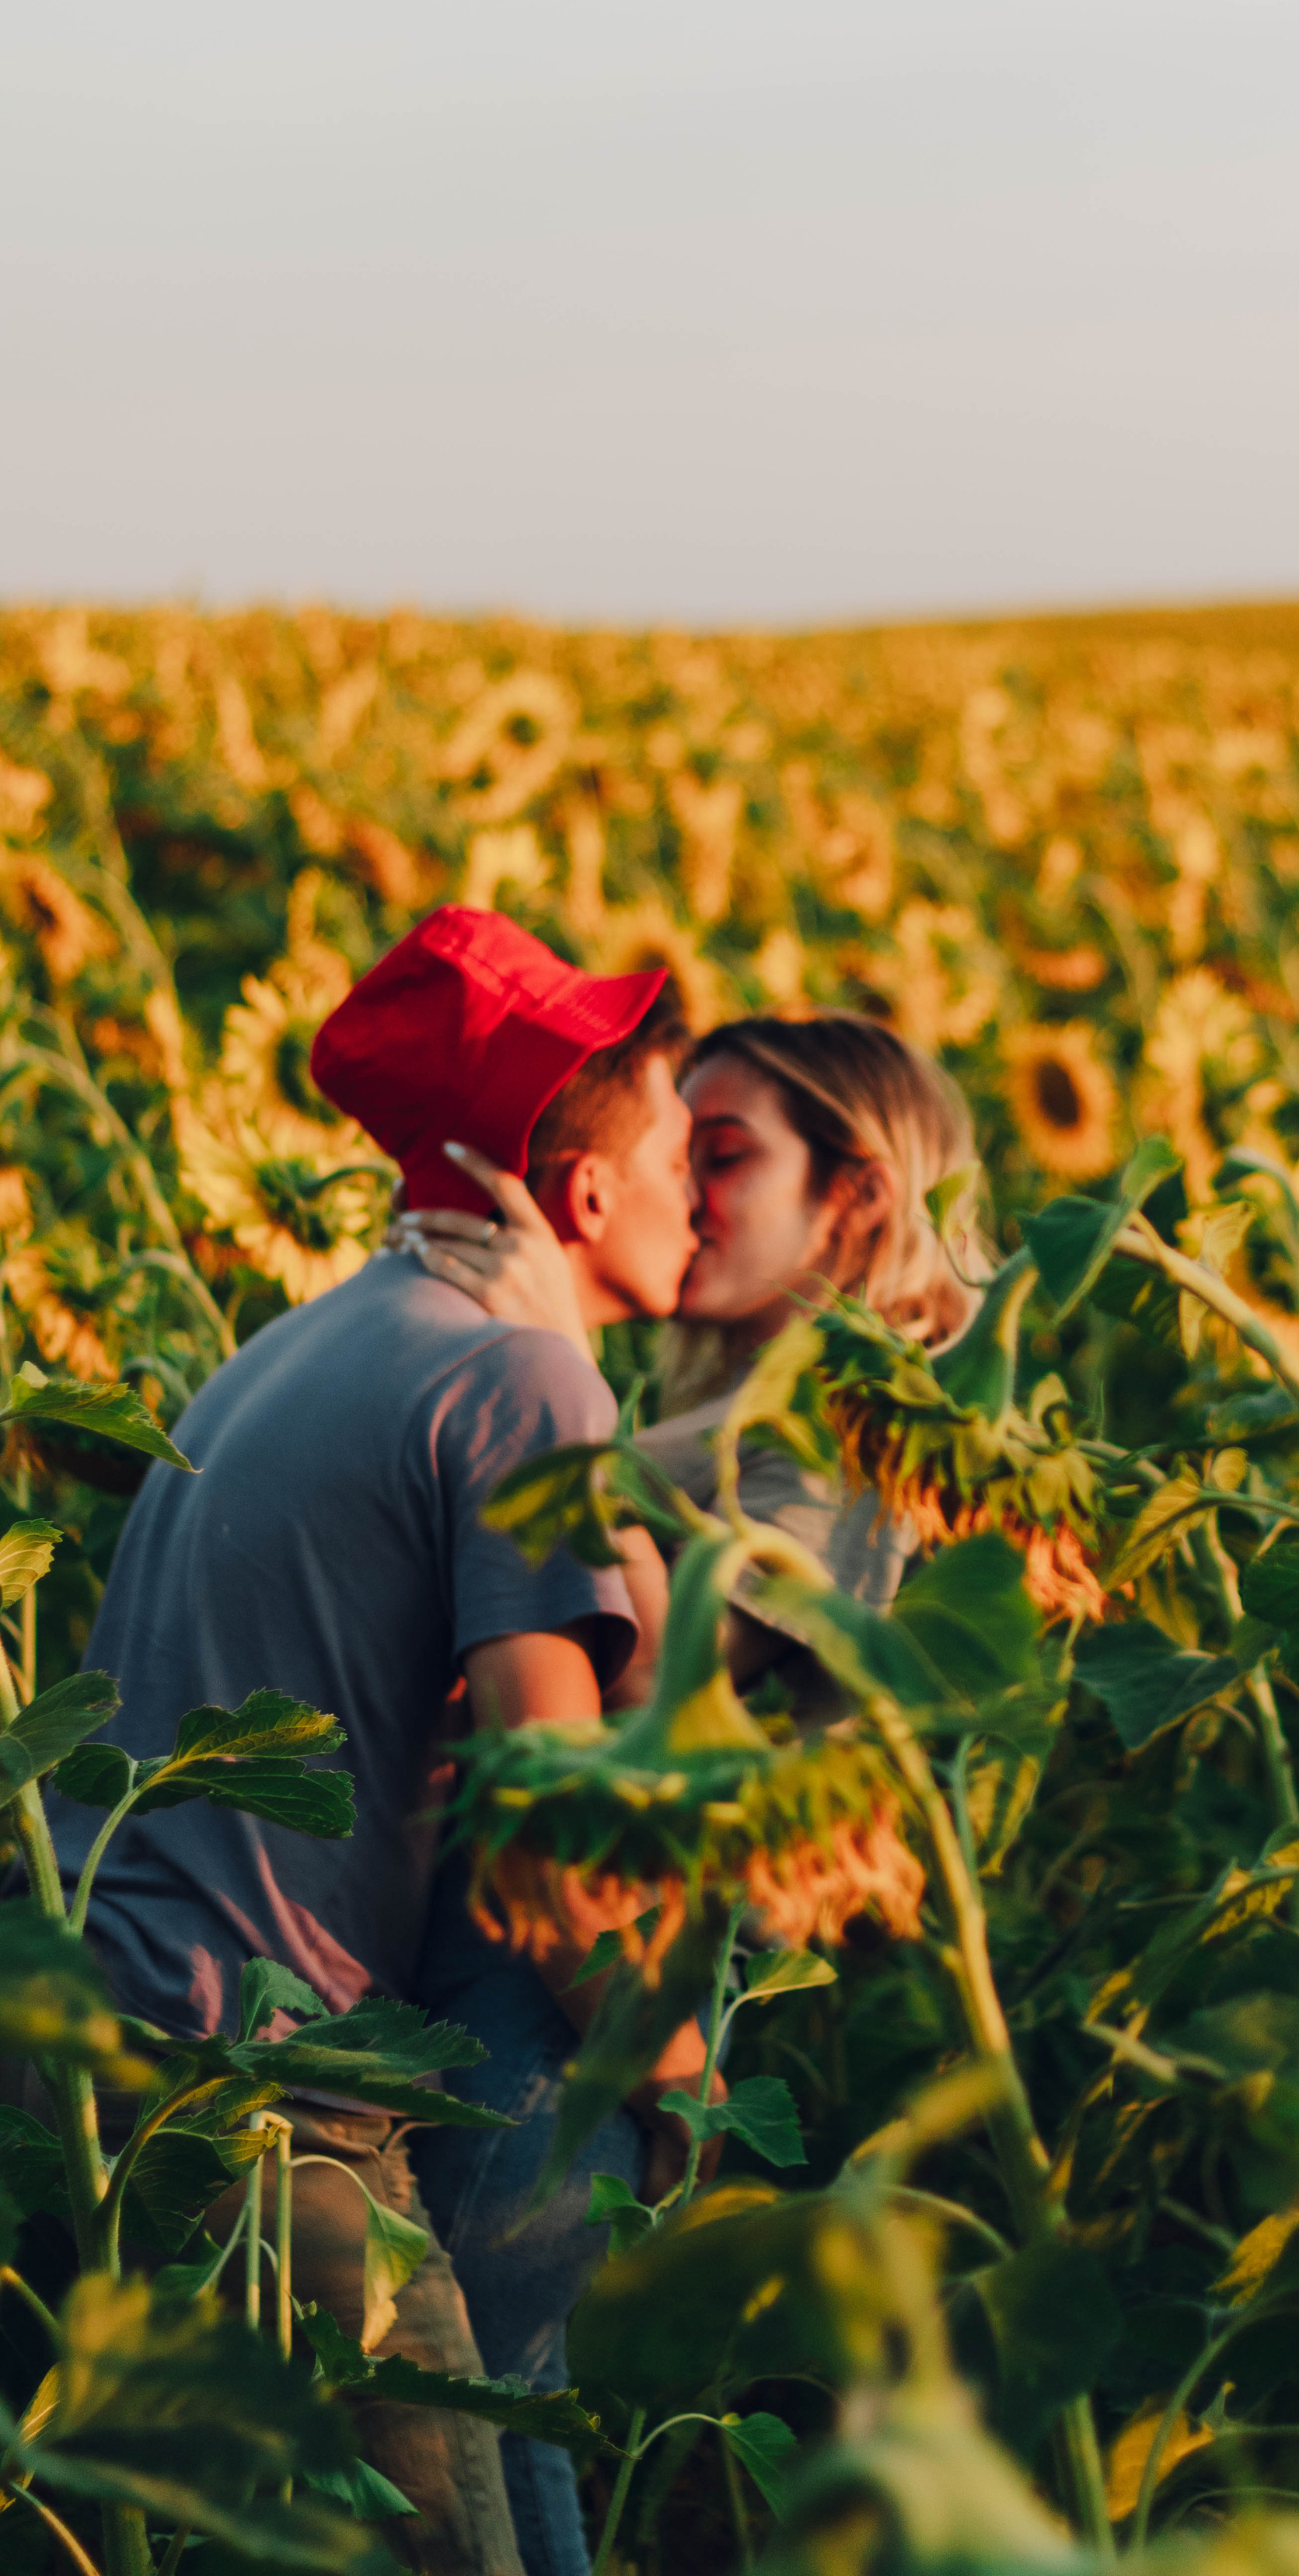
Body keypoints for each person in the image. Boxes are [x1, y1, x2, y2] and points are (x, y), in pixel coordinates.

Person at [44, 907, 709, 2576]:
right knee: (448, 2545)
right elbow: (561, 1839)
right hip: (266, 2093)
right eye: (686, 1151)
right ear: (584, 1196)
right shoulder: (512, 1387)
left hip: (95, 2038)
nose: (705, 1192)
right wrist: (682, 2079)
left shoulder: (315, 1340)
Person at [391, 1013, 989, 2576]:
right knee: (477, 2431)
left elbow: (660, 1683)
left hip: (571, 1985)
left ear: (853, 1197)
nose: (693, 1197)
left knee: (473, 2441)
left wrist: (549, 1377)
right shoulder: (720, 1425)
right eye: (682, 1156)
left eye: (726, 1158)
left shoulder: (853, 1438)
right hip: (530, 1959)